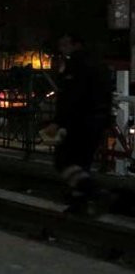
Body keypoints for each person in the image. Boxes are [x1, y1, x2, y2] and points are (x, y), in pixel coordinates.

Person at [41, 32, 112, 214]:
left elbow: (71, 98)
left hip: (80, 121)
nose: (62, 48)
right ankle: (80, 202)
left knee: (64, 161)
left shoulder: (76, 65)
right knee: (82, 164)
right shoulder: (99, 64)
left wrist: (58, 122)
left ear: (75, 44)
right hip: (98, 120)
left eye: (65, 44)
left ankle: (93, 191)